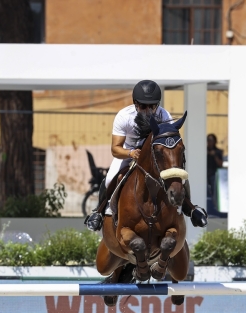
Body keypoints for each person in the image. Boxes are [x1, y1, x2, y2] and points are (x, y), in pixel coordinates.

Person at [84, 79, 207, 231]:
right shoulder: (124, 116)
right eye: (143, 106)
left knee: (178, 178)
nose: (148, 110)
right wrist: (131, 153)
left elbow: (168, 142)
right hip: (129, 152)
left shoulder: (163, 115)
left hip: (154, 154)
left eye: (153, 106)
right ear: (135, 103)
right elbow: (115, 149)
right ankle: (100, 212)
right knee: (110, 178)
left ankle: (190, 208)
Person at [206, 133, 224, 198]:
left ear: (214, 141)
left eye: (210, 140)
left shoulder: (218, 151)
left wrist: (214, 155)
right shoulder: (204, 150)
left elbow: (220, 164)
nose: (209, 142)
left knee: (214, 192)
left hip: (213, 174)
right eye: (207, 140)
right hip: (204, 174)